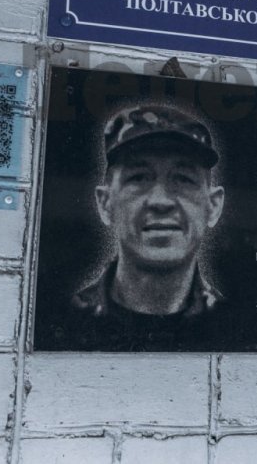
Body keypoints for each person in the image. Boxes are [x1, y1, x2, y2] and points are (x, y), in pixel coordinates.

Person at [62, 103, 226, 350]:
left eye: (183, 179)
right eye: (138, 178)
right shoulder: (63, 322)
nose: (161, 201)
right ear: (105, 203)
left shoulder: (236, 327)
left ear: (213, 206)